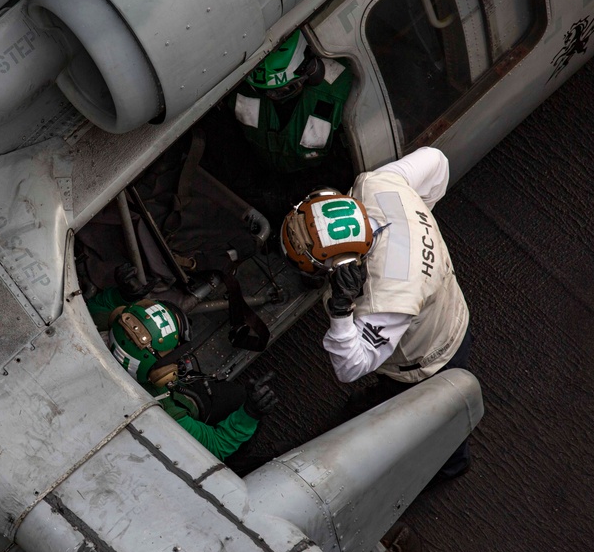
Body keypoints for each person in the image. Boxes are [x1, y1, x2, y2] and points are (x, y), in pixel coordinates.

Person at [279, 147, 472, 482]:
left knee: (440, 418)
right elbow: (437, 159)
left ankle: (448, 468)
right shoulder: (377, 185)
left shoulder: (390, 295)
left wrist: (341, 311)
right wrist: (417, 228)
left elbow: (351, 365)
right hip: (445, 310)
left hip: (428, 360)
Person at [86, 264, 278, 461]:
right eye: (173, 354)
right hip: (190, 407)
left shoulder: (95, 328)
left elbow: (99, 307)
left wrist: (123, 296)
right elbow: (215, 446)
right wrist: (250, 414)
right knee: (238, 399)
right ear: (156, 374)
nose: (180, 358)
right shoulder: (161, 411)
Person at [226, 29, 353, 174]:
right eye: (264, 90)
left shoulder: (338, 87)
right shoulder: (239, 82)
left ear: (311, 70)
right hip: (254, 165)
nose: (272, 96)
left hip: (310, 176)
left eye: (282, 90)